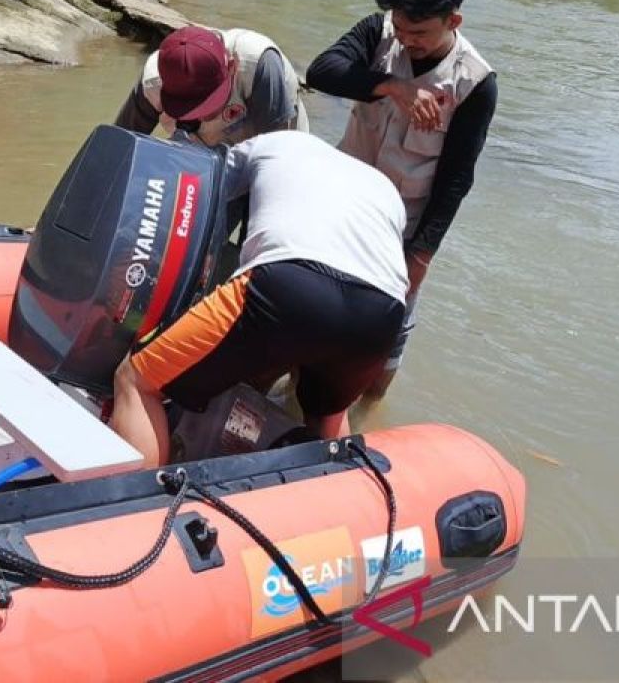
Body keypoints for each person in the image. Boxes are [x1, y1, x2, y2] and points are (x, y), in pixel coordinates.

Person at [109, 130, 408, 468]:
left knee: (136, 380)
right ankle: (348, 496)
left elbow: (199, 191)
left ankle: (141, 511)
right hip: (382, 315)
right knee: (328, 415)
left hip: (287, 283)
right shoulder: (382, 186)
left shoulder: (271, 143)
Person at [305, 0, 497, 398]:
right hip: (339, 212)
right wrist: (391, 86)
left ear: (454, 21)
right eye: (401, 27)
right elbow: (320, 72)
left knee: (383, 354)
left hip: (400, 229)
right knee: (313, 324)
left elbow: (455, 180)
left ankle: (370, 407)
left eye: (421, 32)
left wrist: (421, 257)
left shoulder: (475, 84)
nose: (407, 39)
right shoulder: (379, 34)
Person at [114, 25, 308, 147]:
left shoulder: (260, 66)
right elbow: (117, 146)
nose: (202, 117)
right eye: (189, 111)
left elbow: (275, 157)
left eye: (208, 105)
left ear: (233, 66)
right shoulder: (154, 81)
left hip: (270, 136)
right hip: (202, 147)